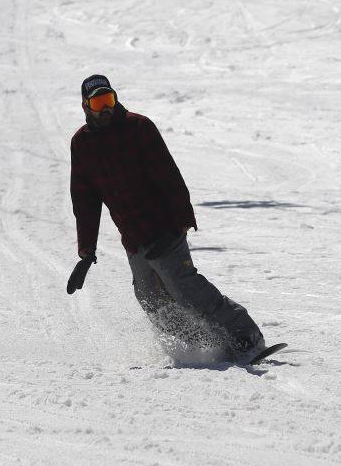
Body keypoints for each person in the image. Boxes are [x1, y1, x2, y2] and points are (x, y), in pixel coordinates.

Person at [65, 74, 265, 362]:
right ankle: (202, 343)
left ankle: (245, 335)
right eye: (99, 102)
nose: (106, 108)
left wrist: (181, 221)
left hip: (164, 228)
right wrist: (86, 250)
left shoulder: (138, 127)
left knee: (183, 286)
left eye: (109, 100)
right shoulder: (82, 144)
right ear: (86, 106)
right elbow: (85, 200)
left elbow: (169, 176)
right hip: (133, 237)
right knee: (150, 297)